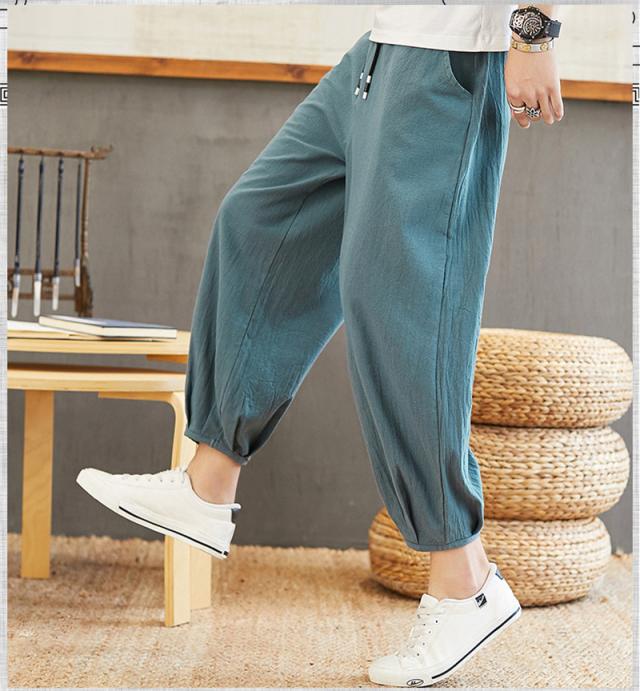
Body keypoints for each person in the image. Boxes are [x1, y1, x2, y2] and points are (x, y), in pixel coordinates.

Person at [77, 4, 563, 686]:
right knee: (258, 221)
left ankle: (464, 579)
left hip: (451, 59)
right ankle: (207, 483)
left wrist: (534, 35)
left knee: (400, 302)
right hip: (384, 46)